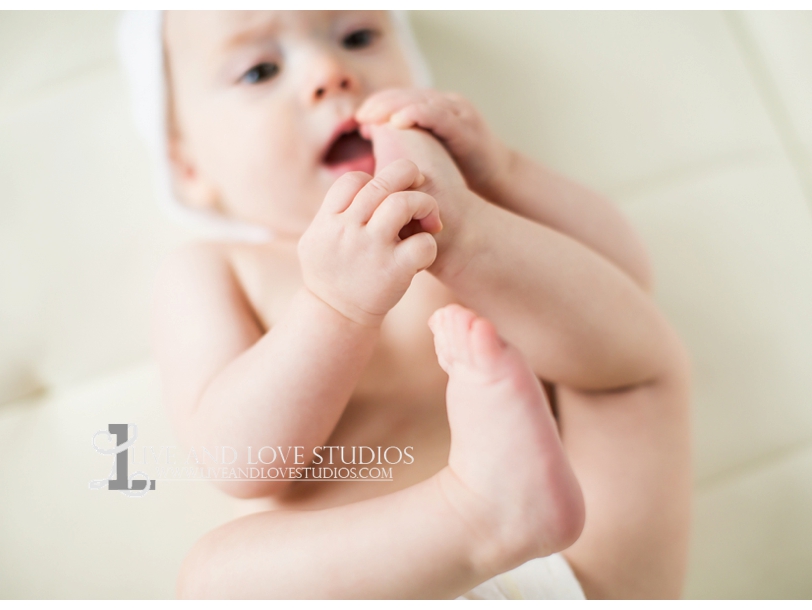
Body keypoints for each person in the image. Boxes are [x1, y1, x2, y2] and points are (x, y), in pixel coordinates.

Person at [141, 10, 691, 599]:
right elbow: (239, 462)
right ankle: (473, 517)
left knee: (631, 372)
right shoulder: (219, 267)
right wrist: (335, 304)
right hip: (384, 583)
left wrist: (501, 176)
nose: (332, 72)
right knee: (216, 578)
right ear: (189, 167)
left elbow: (626, 288)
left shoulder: (468, 202)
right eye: (259, 71)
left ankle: (495, 515)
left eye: (358, 37)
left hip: (575, 561)